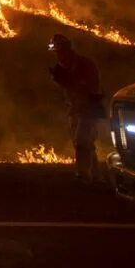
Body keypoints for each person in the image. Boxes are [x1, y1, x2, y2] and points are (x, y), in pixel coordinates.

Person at [48, 33, 103, 181]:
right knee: (85, 145)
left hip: (89, 109)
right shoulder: (61, 68)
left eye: (60, 51)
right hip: (74, 110)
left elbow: (90, 88)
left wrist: (68, 81)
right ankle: (96, 176)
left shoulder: (85, 64)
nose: (58, 55)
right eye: (56, 53)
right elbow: (65, 93)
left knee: (82, 141)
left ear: (68, 49)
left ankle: (83, 175)